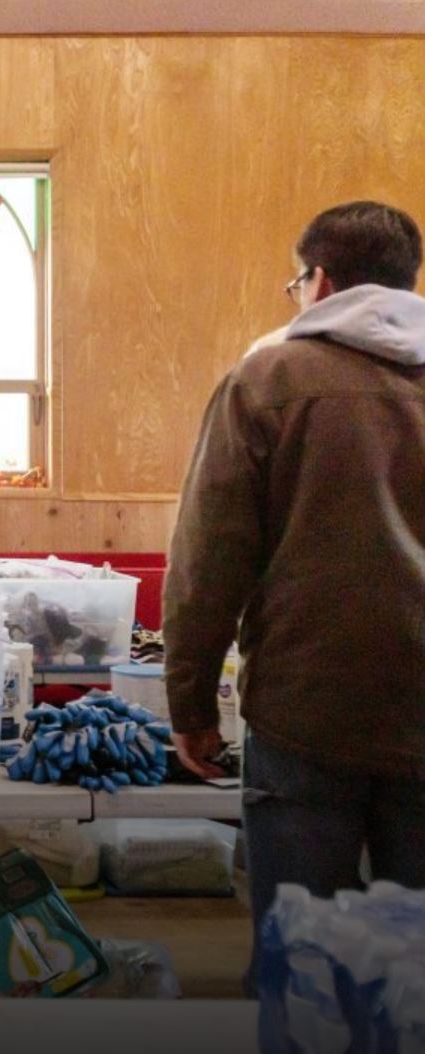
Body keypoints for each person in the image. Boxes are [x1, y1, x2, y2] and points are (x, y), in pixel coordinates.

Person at [164, 202, 425, 980]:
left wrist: (191, 707)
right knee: (413, 969)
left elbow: (210, 561)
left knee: (303, 963)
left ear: (322, 282)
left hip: (306, 710)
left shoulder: (268, 380)